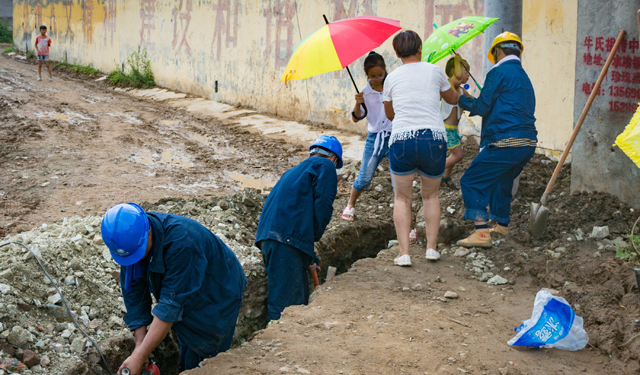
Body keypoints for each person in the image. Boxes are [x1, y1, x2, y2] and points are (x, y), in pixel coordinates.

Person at [101, 203, 246, 374]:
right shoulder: (130, 242)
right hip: (187, 282)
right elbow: (135, 295)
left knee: (204, 355)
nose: (133, 260)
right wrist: (139, 348)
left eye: (136, 255)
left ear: (147, 235)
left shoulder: (182, 244)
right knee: (186, 344)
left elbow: (171, 306)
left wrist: (139, 357)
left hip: (218, 290)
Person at [382, 30, 460, 265]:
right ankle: (431, 249)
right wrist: (454, 84)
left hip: (402, 140)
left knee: (402, 198)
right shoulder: (435, 71)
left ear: (396, 53)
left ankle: (404, 253)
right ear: (420, 50)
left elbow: (389, 114)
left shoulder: (392, 78)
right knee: (430, 195)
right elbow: (452, 99)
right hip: (433, 140)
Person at [456, 32, 537, 248]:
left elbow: (482, 108)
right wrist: (474, 101)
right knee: (502, 182)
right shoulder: (523, 76)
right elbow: (495, 104)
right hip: (527, 143)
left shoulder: (497, 72)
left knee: (471, 181)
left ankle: (481, 233)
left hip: (505, 142)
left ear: (498, 51)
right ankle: (501, 226)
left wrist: (461, 99)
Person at [256, 135, 342, 320]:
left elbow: (296, 213)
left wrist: (309, 254)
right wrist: (315, 236)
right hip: (285, 240)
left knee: (298, 296)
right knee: (286, 307)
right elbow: (323, 205)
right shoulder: (326, 166)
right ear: (334, 159)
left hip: (271, 237)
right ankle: (277, 343)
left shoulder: (293, 172)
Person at [440, 55, 471, 190]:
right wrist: (458, 61)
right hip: (446, 129)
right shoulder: (448, 86)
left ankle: (445, 176)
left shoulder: (461, 91)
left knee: (454, 154)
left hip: (453, 130)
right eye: (466, 71)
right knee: (458, 155)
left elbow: (473, 101)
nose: (468, 75)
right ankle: (435, 170)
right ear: (454, 71)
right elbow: (455, 79)